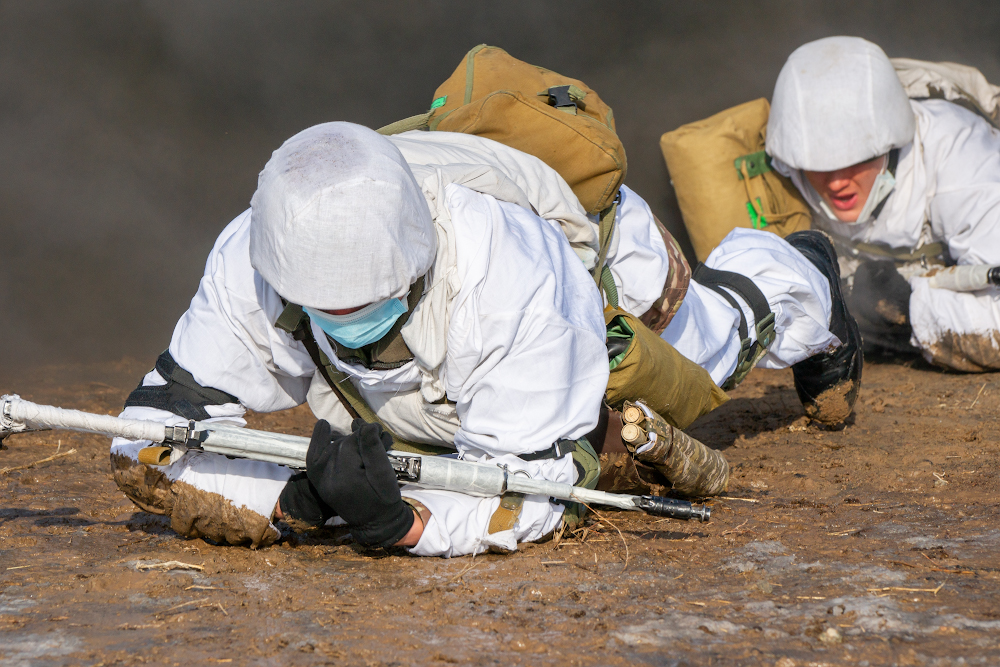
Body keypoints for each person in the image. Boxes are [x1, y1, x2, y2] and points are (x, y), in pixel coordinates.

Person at [109, 122, 858, 557]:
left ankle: (800, 266)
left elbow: (534, 493)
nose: (343, 316)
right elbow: (148, 440)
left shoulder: (510, 277)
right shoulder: (262, 254)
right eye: (321, 304)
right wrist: (291, 500)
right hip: (455, 366)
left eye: (367, 298)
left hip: (596, 264)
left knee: (716, 345)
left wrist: (401, 524)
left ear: (412, 260)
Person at [766, 36, 1000, 371]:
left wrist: (907, 310)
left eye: (854, 160)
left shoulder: (964, 162)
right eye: (818, 163)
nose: (835, 183)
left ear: (888, 143)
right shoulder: (781, 167)